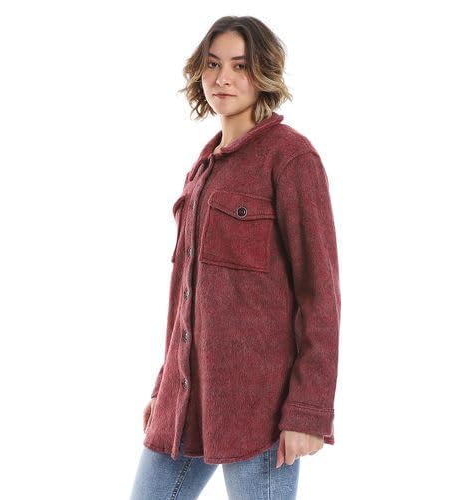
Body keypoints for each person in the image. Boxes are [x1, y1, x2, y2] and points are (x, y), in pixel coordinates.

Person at [130, 15, 341, 500]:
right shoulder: (203, 167)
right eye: (212, 64)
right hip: (186, 401)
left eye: (239, 66)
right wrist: (165, 386)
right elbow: (185, 297)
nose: (222, 78)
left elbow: (320, 294)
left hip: (258, 407)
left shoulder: (291, 158)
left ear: (263, 73)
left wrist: (308, 411)